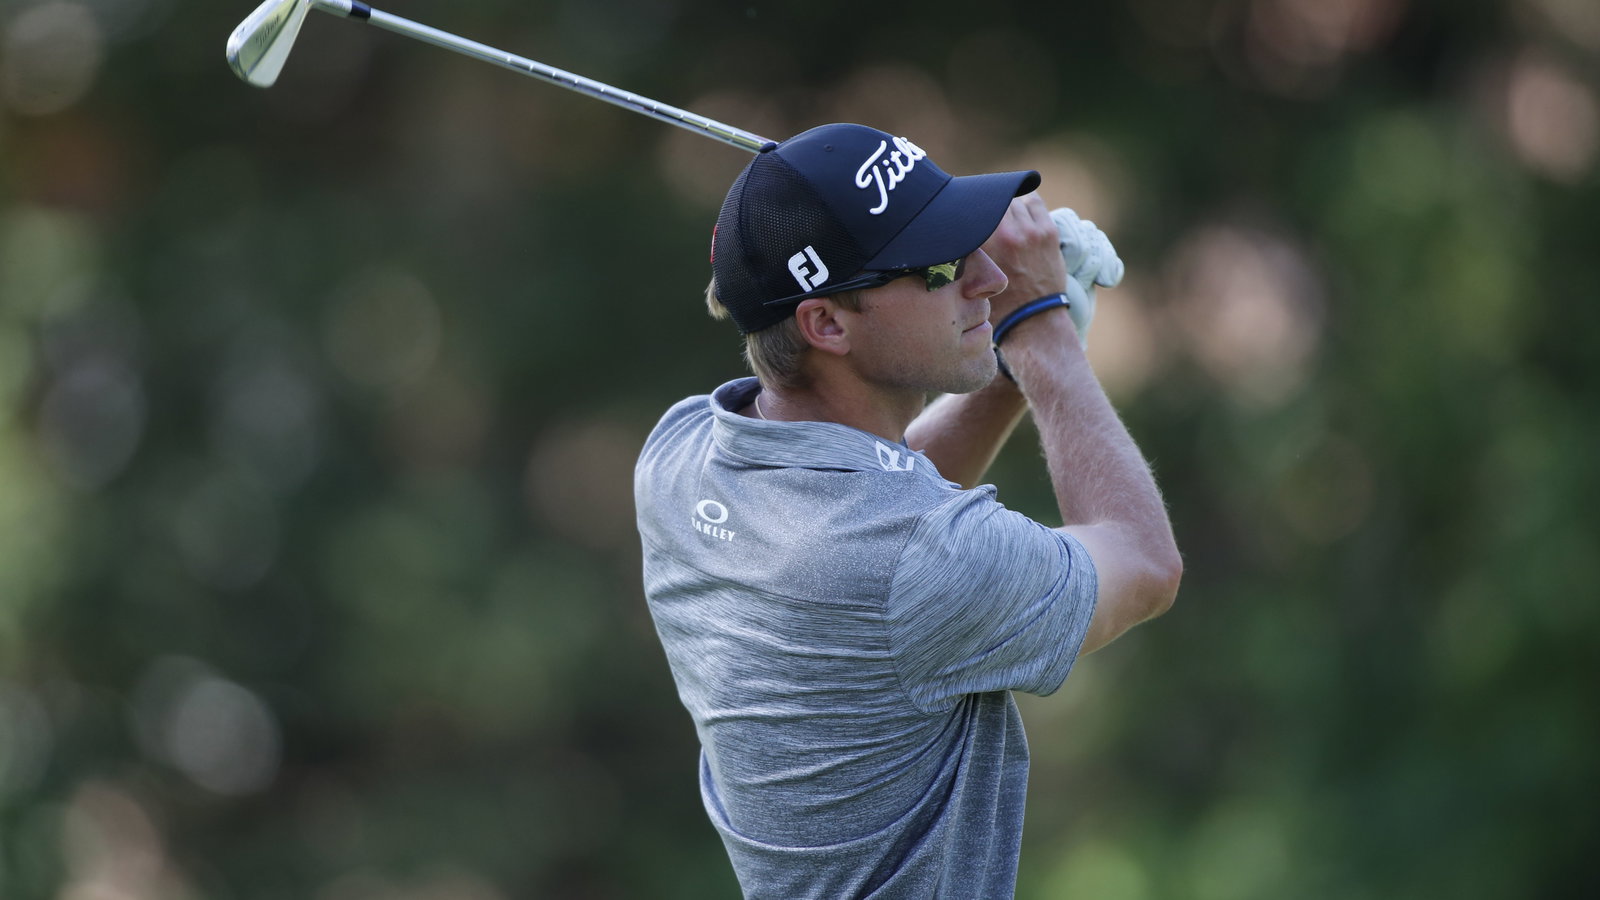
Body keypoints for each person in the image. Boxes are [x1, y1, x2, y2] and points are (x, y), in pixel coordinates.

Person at [633, 122, 1182, 899]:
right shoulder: (918, 557)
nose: (989, 278)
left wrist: (1004, 366)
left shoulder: (679, 457)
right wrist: (1046, 333)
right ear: (826, 323)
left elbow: (873, 504)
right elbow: (1145, 562)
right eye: (943, 267)